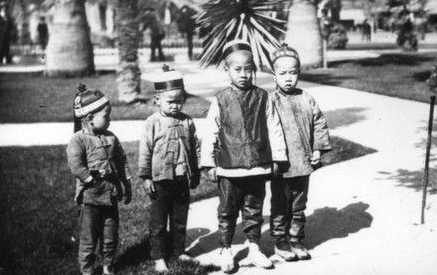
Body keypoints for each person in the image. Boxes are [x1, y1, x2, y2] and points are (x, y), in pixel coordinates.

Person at [201, 40, 287, 273]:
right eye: (237, 69)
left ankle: (254, 247)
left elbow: (274, 127)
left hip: (257, 166)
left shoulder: (263, 96)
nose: (244, 74)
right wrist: (208, 162)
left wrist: (278, 158)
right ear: (227, 70)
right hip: (230, 167)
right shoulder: (221, 99)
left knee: (254, 209)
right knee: (227, 209)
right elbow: (211, 130)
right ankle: (226, 249)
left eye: (248, 69)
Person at [269, 44, 332, 262]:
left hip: (303, 163)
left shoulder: (307, 98)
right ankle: (280, 242)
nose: (288, 78)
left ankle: (296, 239)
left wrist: (317, 149)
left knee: (298, 205)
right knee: (280, 205)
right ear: (273, 74)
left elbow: (319, 124)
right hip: (281, 166)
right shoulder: (270, 101)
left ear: (299, 73)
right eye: (282, 73)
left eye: (293, 73)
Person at [139, 65, 201, 272]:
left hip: (182, 178)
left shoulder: (187, 121)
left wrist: (196, 170)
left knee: (179, 218)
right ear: (158, 100)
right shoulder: (153, 123)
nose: (175, 106)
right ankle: (158, 256)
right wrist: (146, 176)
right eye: (170, 101)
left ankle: (178, 251)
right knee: (158, 221)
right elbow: (145, 150)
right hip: (160, 180)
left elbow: (194, 147)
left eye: (179, 101)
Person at [67, 85, 132, 275]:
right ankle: (87, 270)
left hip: (110, 198)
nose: (110, 120)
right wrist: (90, 179)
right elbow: (76, 164)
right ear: (89, 119)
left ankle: (107, 265)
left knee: (110, 236)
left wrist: (126, 184)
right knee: (89, 239)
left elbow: (122, 161)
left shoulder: (111, 138)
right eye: (106, 116)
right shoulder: (78, 140)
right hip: (90, 200)